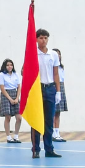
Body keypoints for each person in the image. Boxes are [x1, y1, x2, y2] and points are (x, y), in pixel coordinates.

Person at [31, 29, 62, 159]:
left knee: (49, 121)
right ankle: (36, 149)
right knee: (36, 120)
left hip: (50, 88)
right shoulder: (32, 53)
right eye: (41, 38)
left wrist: (58, 91)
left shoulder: (53, 54)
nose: (43, 40)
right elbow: (25, 71)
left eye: (45, 38)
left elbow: (56, 73)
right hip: (37, 88)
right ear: (36, 39)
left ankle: (49, 149)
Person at [0, 58, 21, 143]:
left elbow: (19, 87)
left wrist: (17, 98)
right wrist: (10, 99)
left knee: (19, 117)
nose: (9, 66)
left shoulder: (16, 74)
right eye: (7, 65)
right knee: (8, 117)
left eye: (11, 65)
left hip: (15, 93)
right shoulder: (1, 75)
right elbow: (2, 88)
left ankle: (16, 136)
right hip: (6, 95)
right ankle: (8, 137)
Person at [51, 48, 68, 143]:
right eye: (56, 54)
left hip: (61, 87)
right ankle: (53, 133)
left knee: (58, 112)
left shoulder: (61, 67)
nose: (58, 56)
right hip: (54, 86)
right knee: (53, 111)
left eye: (59, 54)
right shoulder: (52, 66)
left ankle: (57, 132)